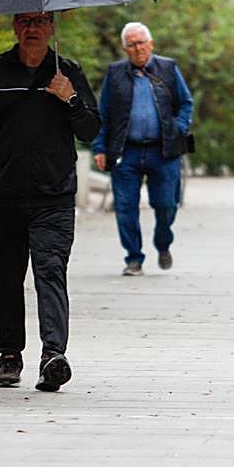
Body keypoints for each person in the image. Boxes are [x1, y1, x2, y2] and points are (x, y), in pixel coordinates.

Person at [0, 11, 101, 391]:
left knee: (50, 270)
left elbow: (91, 129)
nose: (32, 29)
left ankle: (53, 355)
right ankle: (10, 355)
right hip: (3, 192)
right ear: (15, 27)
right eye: (24, 21)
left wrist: (70, 98)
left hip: (54, 194)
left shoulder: (67, 72)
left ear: (52, 27)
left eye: (39, 22)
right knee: (7, 276)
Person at [93, 22, 194, 276]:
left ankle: (163, 243)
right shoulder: (115, 73)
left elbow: (186, 102)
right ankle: (134, 258)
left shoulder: (168, 69)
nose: (137, 49)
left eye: (141, 43)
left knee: (167, 204)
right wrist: (100, 147)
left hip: (163, 151)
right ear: (124, 48)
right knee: (125, 206)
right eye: (131, 44)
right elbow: (104, 113)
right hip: (126, 152)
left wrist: (178, 127)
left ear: (151, 44)